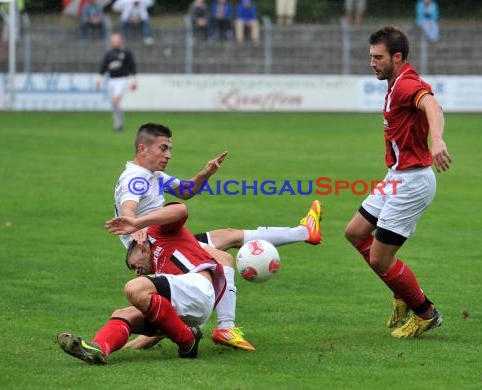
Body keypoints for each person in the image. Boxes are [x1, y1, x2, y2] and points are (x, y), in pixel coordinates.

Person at [114, 123, 323, 350]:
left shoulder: (153, 176)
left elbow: (186, 191)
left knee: (228, 236)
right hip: (155, 248)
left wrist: (205, 174)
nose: (168, 155)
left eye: (169, 149)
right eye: (163, 149)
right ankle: (225, 327)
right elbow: (128, 209)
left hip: (167, 238)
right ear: (143, 149)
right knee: (221, 261)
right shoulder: (135, 178)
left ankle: (304, 232)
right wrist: (136, 226)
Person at [344, 26, 451, 339]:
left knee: (380, 258)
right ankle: (401, 289)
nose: (372, 63)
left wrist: (438, 139)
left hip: (413, 181)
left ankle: (425, 312)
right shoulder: (394, 83)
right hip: (397, 176)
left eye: (378, 57)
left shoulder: (407, 85)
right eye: (371, 57)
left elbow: (431, 104)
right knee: (355, 232)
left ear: (397, 57)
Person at [58, 203, 227, 364]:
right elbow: (162, 314)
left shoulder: (156, 232)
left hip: (198, 287)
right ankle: (98, 348)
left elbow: (181, 209)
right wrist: (133, 345)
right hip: (188, 312)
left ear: (140, 247)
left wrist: (139, 223)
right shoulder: (161, 277)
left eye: (133, 264)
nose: (136, 271)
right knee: (124, 313)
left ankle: (187, 340)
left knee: (134, 287)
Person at [96, 32, 136, 132]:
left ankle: (118, 125)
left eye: (117, 40)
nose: (115, 42)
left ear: (120, 41)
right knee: (114, 104)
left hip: (122, 80)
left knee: (115, 100)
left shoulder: (126, 53)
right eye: (113, 40)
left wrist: (134, 80)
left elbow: (132, 67)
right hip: (111, 81)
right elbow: (103, 67)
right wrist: (99, 79)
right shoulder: (108, 54)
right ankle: (119, 124)